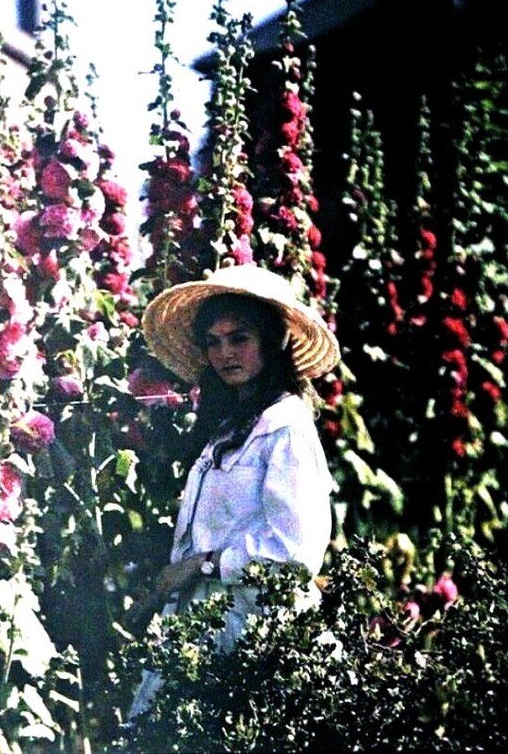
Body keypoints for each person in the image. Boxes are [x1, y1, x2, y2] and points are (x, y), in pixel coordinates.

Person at [121, 263, 341, 720]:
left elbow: (295, 554)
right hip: (205, 625)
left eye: (239, 338)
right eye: (213, 342)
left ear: (272, 342)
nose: (225, 353)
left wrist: (201, 566)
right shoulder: (231, 427)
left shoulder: (286, 429)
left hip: (255, 629)